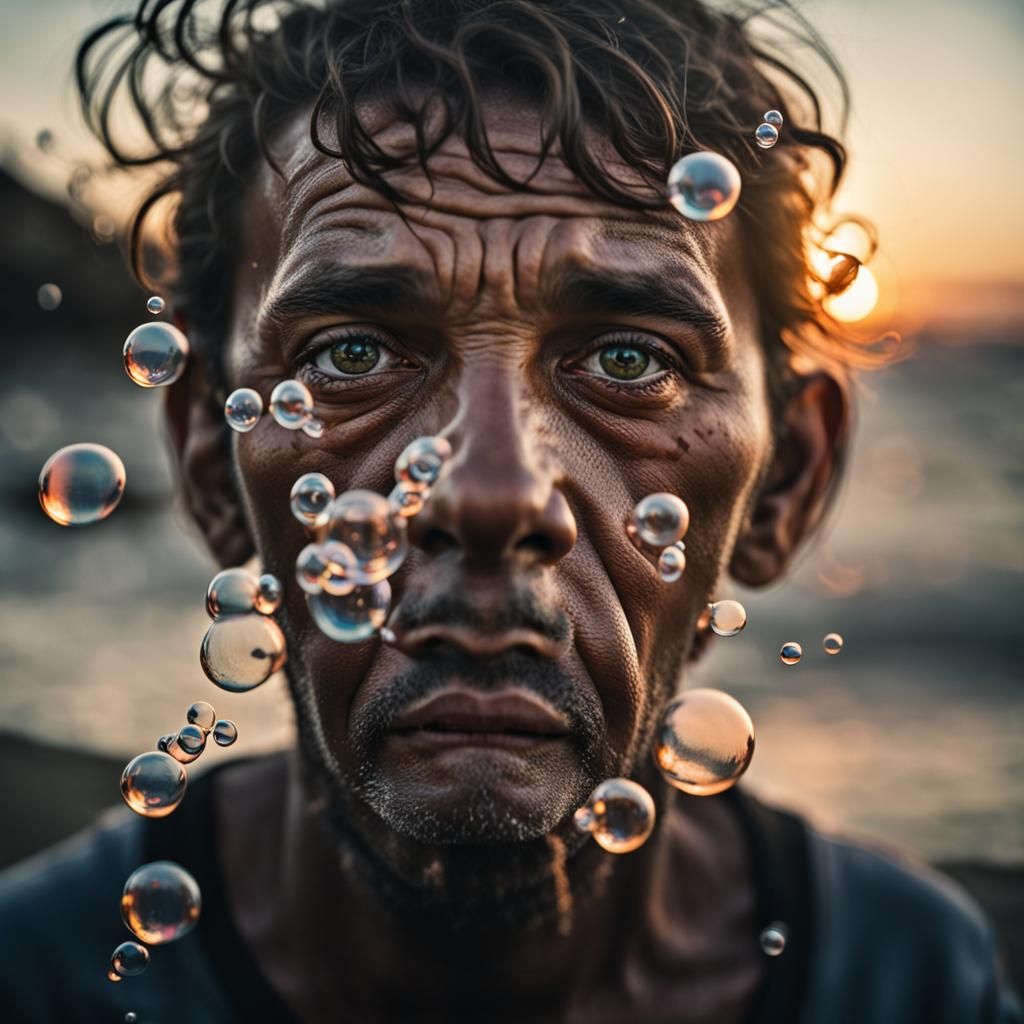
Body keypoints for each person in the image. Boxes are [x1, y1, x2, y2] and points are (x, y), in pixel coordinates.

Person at [0, 1, 1018, 1021]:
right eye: (349, 352)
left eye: (631, 359)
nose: (489, 494)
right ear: (211, 464)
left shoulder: (915, 980)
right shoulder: (36, 976)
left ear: (786, 478)